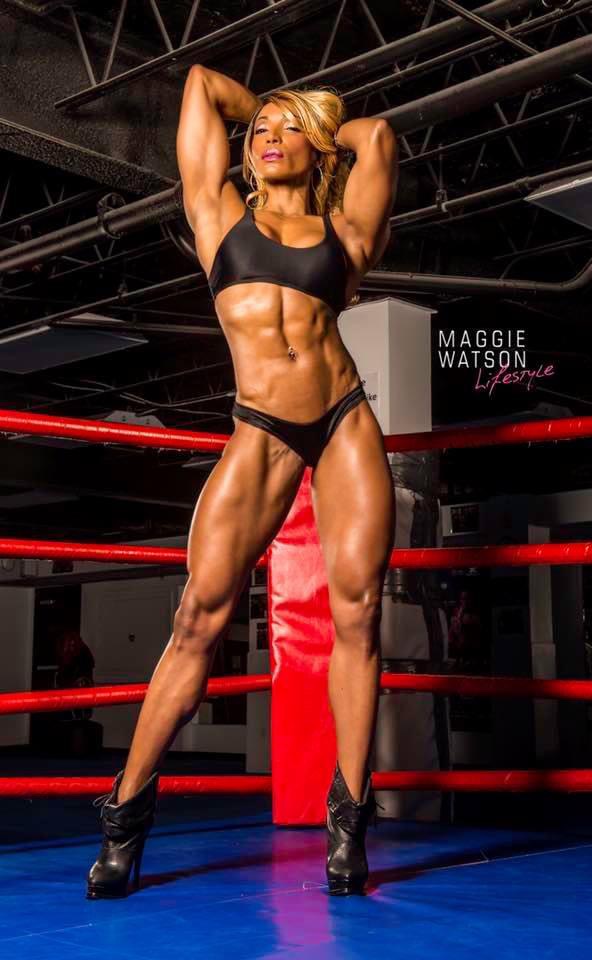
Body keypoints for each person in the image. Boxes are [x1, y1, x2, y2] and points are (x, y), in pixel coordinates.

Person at [87, 65, 398, 900]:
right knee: (198, 618)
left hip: (342, 419)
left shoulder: (346, 234)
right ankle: (125, 815)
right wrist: (272, 109)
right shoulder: (218, 214)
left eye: (287, 131)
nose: (267, 137)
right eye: (259, 130)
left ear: (315, 148)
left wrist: (308, 119)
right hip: (261, 426)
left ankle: (349, 820)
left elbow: (377, 136)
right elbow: (199, 84)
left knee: (359, 614)